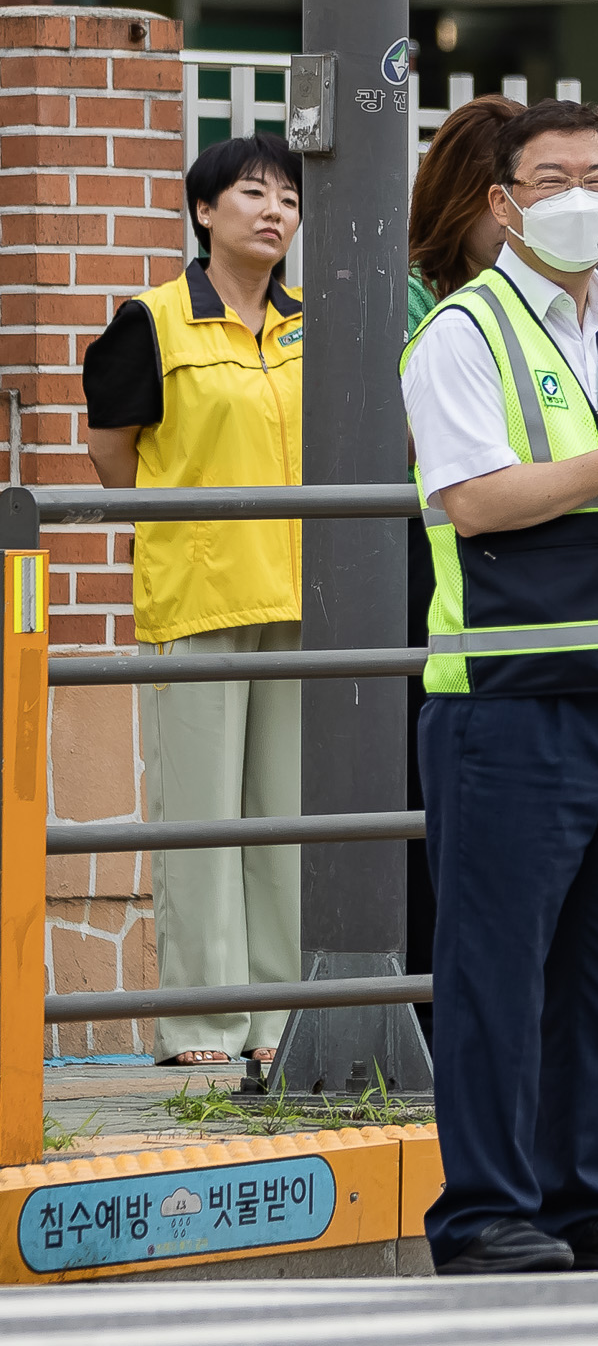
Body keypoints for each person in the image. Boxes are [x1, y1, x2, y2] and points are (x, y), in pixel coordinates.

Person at [400, 98, 598, 1275]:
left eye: (597, 173)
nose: (580, 194)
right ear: (504, 201)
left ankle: (583, 1197)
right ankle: (484, 1209)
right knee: (495, 964)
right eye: (552, 177)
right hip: (507, 690)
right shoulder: (461, 333)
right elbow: (475, 497)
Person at [82, 133, 306, 1068]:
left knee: (289, 825)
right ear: (204, 211)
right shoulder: (154, 319)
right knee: (206, 824)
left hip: (302, 604)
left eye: (289, 198)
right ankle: (208, 1026)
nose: (275, 211)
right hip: (202, 595)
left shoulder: (312, 324)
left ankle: (281, 1022)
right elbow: (111, 456)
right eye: (252, 193)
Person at [401, 93, 522, 1037]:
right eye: (524, 189)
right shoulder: (416, 309)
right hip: (431, 575)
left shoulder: (572, 309)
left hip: (527, 595)